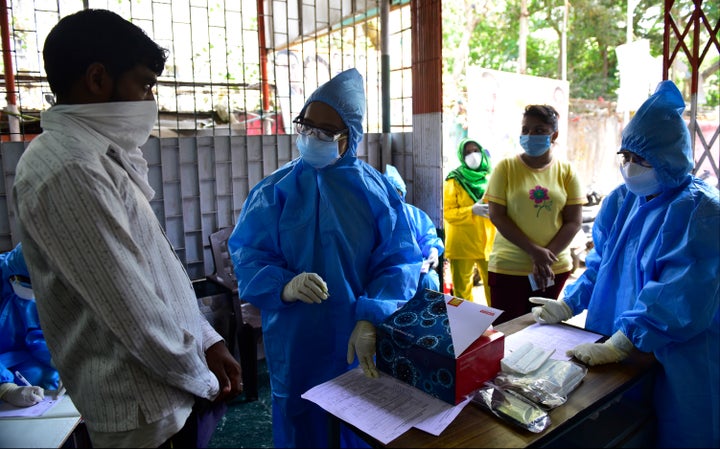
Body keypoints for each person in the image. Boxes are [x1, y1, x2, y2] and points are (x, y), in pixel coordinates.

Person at [12, 9, 242, 448]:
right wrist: (202, 379)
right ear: (98, 79)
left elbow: (158, 272)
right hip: (142, 408)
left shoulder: (100, 155)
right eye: (144, 84)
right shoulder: (69, 168)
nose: (150, 101)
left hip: (166, 391)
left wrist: (208, 339)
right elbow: (129, 310)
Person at [228, 68, 422, 448]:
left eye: (326, 132)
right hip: (295, 338)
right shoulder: (274, 191)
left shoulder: (376, 191)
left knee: (358, 421)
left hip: (356, 336)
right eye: (307, 126)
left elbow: (398, 262)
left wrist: (372, 318)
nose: (312, 137)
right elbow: (248, 254)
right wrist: (283, 284)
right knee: (300, 421)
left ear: (350, 136)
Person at [530, 80, 719, 448]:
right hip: (615, 339)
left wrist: (626, 340)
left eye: (643, 159)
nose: (631, 168)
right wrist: (570, 303)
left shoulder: (700, 212)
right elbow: (602, 264)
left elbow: (681, 294)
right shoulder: (622, 201)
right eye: (627, 157)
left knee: (681, 431)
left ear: (671, 157)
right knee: (622, 428)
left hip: (681, 354)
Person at [484, 104, 584, 324]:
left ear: (554, 134)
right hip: (509, 268)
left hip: (553, 269)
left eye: (539, 130)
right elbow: (497, 215)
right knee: (507, 334)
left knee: (543, 333)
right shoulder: (506, 168)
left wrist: (545, 256)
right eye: (525, 130)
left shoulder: (567, 171)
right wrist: (534, 251)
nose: (530, 135)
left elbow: (573, 221)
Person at [0, 243, 58, 407]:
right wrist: (5, 388)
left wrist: (57, 360)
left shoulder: (40, 290)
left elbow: (36, 333)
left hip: (20, 356)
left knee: (47, 377)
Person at [443, 138, 496, 304]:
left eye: (475, 150)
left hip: (488, 243)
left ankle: (499, 325)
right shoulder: (454, 179)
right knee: (462, 291)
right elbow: (447, 212)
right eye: (467, 152)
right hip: (462, 243)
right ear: (461, 156)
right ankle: (466, 327)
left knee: (494, 288)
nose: (472, 155)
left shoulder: (492, 177)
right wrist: (471, 210)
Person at [384, 164, 445, 297]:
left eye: (397, 191)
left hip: (417, 271)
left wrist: (432, 252)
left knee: (429, 281)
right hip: (388, 273)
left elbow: (428, 238)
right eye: (389, 191)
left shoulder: (414, 214)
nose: (394, 196)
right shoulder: (377, 217)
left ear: (402, 193)